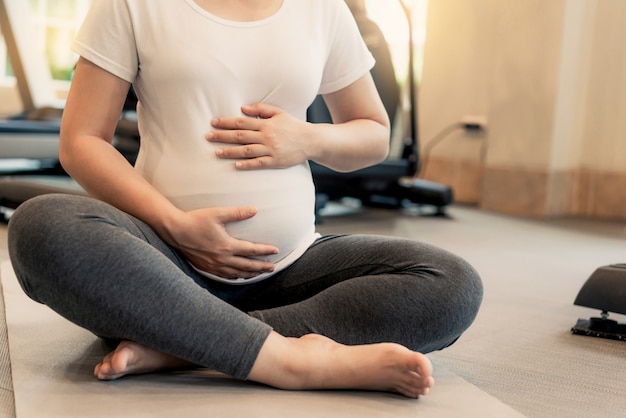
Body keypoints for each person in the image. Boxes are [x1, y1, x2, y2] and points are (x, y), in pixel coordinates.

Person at [7, 0, 483, 399]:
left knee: (451, 283)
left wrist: (308, 140)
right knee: (41, 225)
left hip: (294, 265)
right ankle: (289, 360)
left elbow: (374, 134)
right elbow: (81, 141)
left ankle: (185, 343)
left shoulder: (321, 7)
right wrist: (175, 225)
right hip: (163, 265)